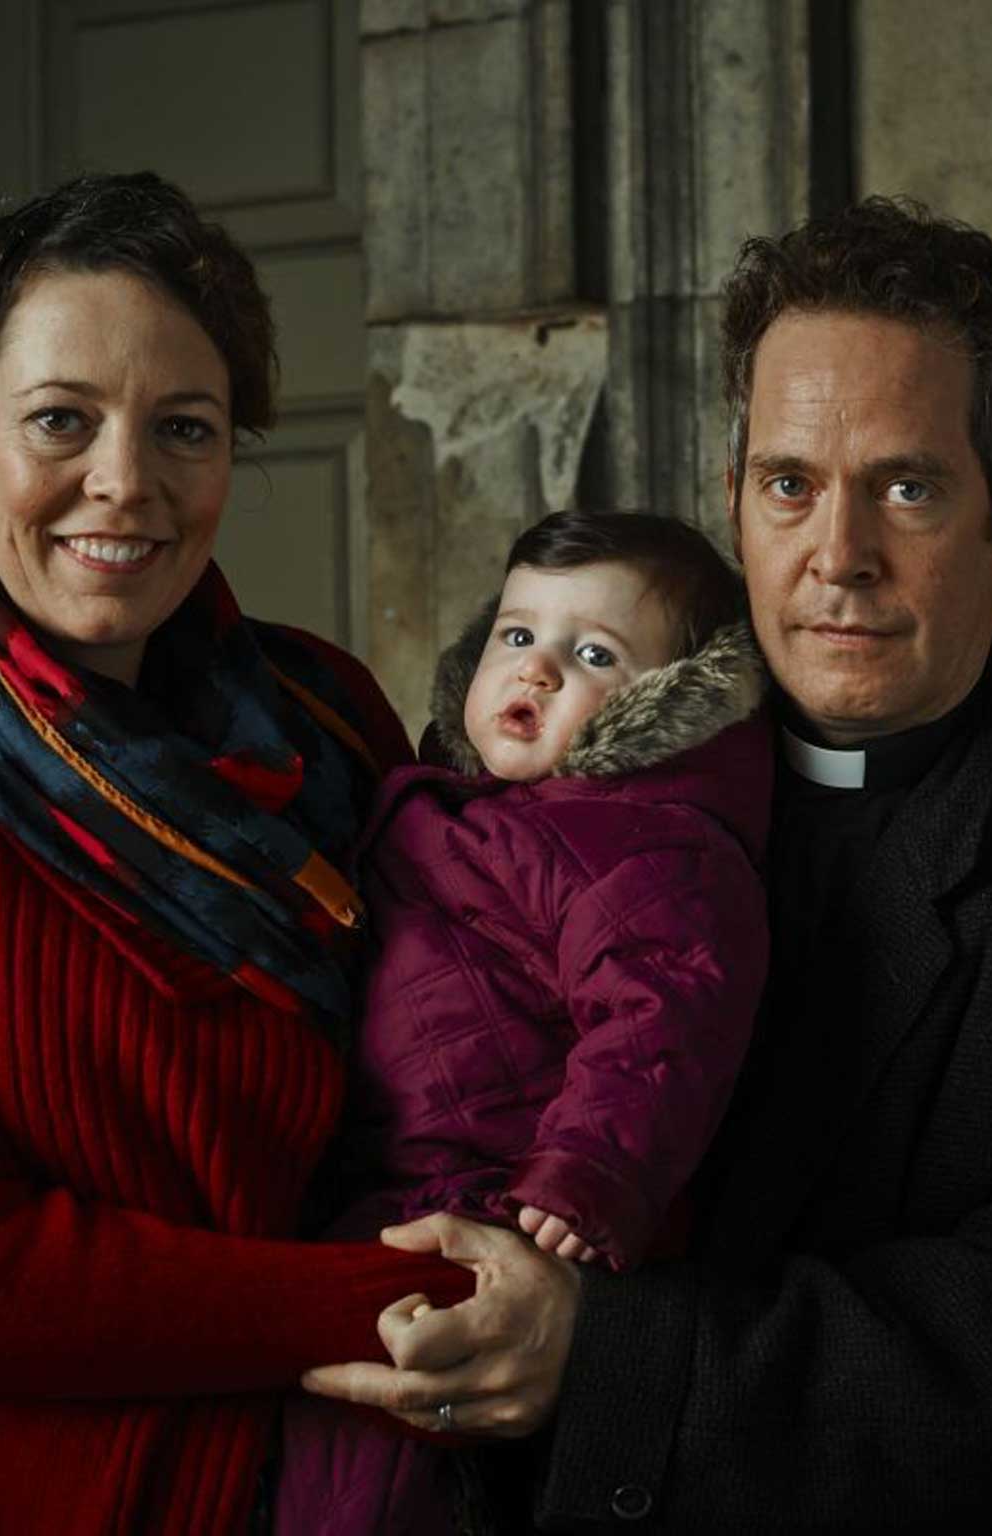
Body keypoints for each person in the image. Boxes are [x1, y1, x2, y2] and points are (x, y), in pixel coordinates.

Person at [301, 197, 992, 1531]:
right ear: (734, 504)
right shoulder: (522, 787)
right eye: (790, 485)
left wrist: (605, 1348)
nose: (838, 558)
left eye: (910, 488)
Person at [0, 171, 471, 1536]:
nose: (127, 483)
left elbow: (463, 1049)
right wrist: (418, 1301)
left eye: (187, 426)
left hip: (341, 1484)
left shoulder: (328, 719)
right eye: (61, 420)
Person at [275, 510, 772, 1533]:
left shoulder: (640, 844)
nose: (535, 670)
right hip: (387, 1187)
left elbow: (663, 1007)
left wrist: (592, 1171)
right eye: (516, 634)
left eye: (591, 654)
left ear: (672, 705)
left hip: (501, 1201)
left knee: (393, 1470)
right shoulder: (457, 804)